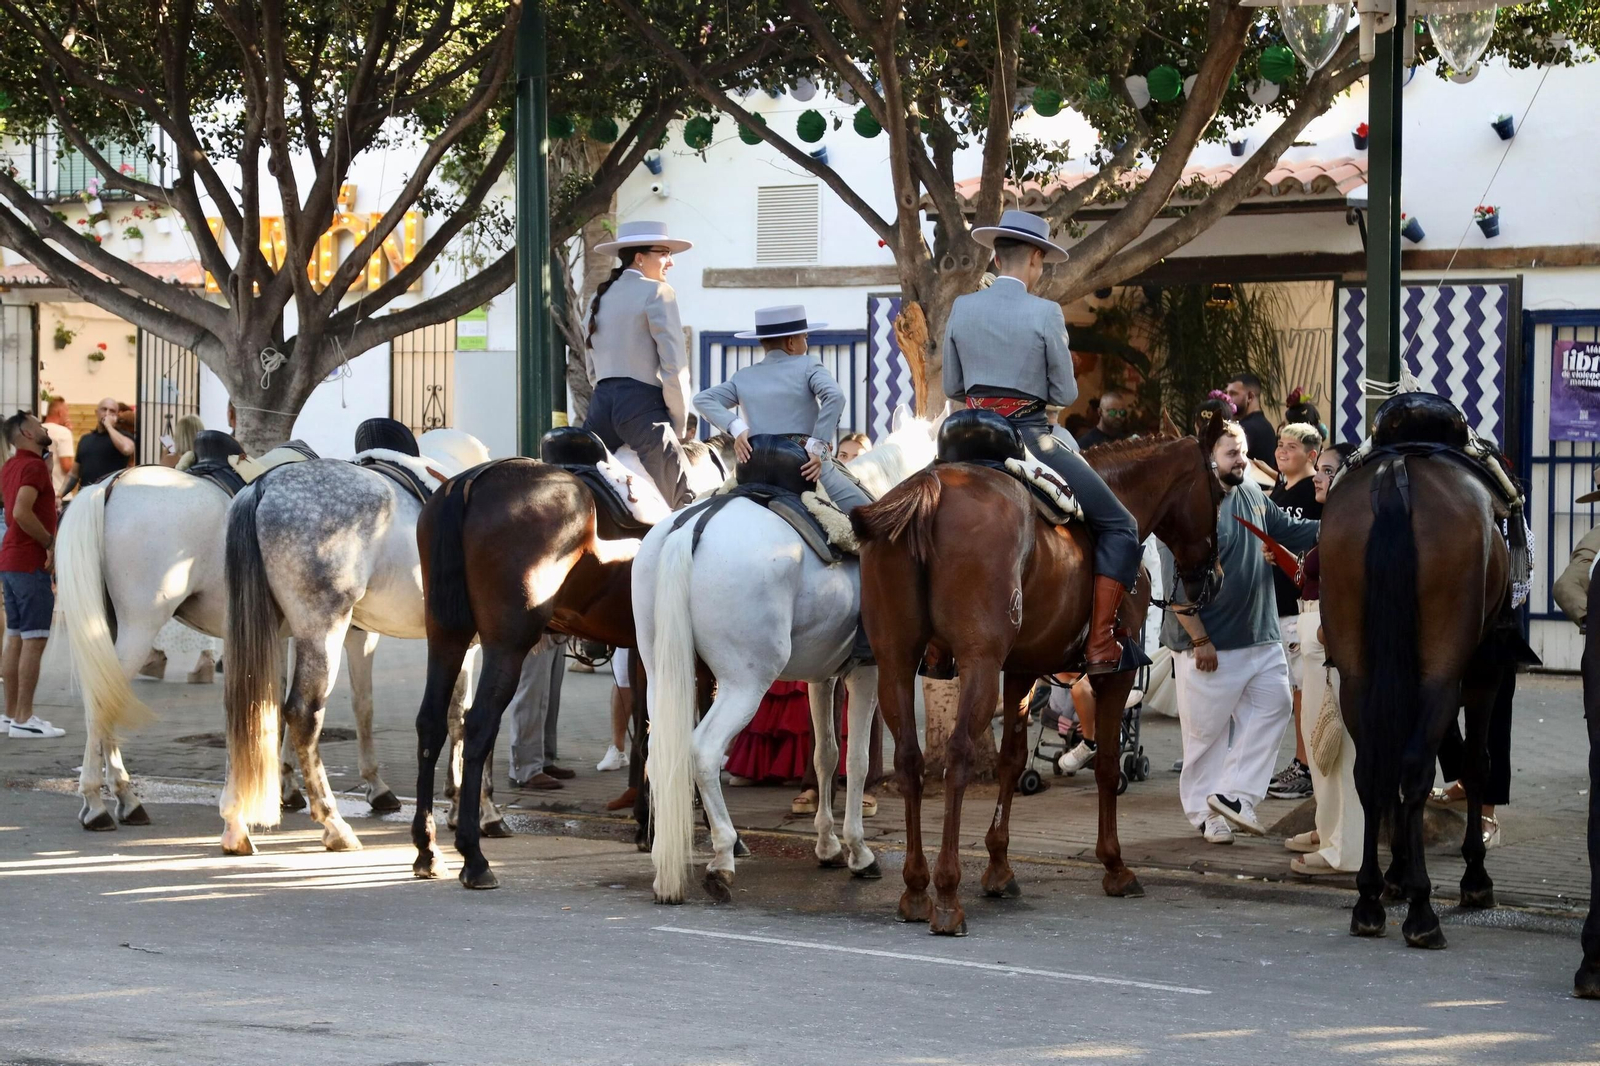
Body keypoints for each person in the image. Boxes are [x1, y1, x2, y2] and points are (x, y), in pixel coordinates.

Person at [944, 209, 1142, 674]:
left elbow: (953, 385)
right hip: (1030, 440)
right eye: (1042, 262)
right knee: (1120, 525)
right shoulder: (1046, 312)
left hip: (961, 443)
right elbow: (1066, 394)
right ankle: (1098, 644)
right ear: (1035, 258)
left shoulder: (961, 307)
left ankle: (936, 647)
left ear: (995, 257)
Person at [1161, 408, 1320, 844]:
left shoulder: (1251, 489)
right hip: (1210, 646)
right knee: (1205, 737)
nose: (1242, 460)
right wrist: (1200, 639)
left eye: (1244, 453)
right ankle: (1205, 814)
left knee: (1276, 706)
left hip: (1261, 633)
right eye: (1232, 453)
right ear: (1208, 457)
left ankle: (1235, 797)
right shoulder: (1189, 505)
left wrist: (1338, 526)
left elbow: (1287, 528)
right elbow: (1177, 583)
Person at [693, 304, 870, 512]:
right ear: (791, 342)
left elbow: (702, 399)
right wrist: (818, 447)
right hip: (802, 465)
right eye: (805, 337)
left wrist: (736, 427)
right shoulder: (808, 365)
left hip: (752, 468)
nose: (806, 342)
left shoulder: (743, 376)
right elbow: (835, 396)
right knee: (873, 518)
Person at [1284, 442, 1364, 874]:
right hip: (1316, 634)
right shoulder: (1336, 520)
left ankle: (1342, 847)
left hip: (1326, 637)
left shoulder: (1348, 524)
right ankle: (1329, 829)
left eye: (1327, 470)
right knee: (1321, 747)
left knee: (1336, 747)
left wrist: (1324, 630)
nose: (1317, 475)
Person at [583, 220, 697, 509]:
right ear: (639, 257)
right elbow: (674, 367)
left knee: (578, 481)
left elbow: (591, 363)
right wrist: (679, 423)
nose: (669, 262)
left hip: (600, 407)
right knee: (686, 500)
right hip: (641, 409)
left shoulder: (598, 296)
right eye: (664, 253)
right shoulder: (659, 292)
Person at [1265, 422, 1323, 801]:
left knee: (1304, 689)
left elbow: (1318, 544)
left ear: (1312, 455)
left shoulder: (1314, 492)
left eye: (1292, 447)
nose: (1282, 452)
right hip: (1277, 602)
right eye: (1280, 445)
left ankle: (1306, 766)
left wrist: (1284, 554)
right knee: (1293, 688)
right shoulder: (1279, 489)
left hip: (1301, 603)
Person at [0, 411, 62, 738]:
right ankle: (25, 718)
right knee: (34, 639)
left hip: (11, 561)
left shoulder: (12, 465)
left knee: (15, 637)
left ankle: (10, 715)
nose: (44, 427)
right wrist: (50, 541)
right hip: (29, 561)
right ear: (26, 432)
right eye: (38, 425)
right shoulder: (33, 467)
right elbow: (21, 511)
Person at [507, 636, 574, 790]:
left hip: (556, 623)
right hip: (534, 622)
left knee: (549, 694)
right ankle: (525, 768)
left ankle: (543, 759)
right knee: (532, 694)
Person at [67, 396, 136, 492]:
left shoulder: (124, 436)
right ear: (96, 412)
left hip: (111, 497)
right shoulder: (85, 439)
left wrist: (108, 426)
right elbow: (74, 474)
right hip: (87, 497)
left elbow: (127, 449)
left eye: (112, 411)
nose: (107, 414)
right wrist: (59, 495)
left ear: (116, 416)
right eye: (104, 409)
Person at [1225, 373, 1278, 471]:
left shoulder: (1245, 429)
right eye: (1226, 393)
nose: (1227, 399)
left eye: (1233, 394)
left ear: (1250, 397)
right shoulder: (1266, 426)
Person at [41, 396, 75, 499]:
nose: (67, 415)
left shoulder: (38, 429)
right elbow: (67, 467)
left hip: (40, 492)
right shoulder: (63, 433)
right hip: (60, 493)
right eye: (66, 411)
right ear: (60, 412)